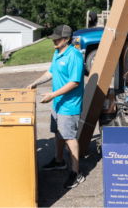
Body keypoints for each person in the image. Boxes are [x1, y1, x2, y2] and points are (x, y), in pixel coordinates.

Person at [27, 25, 85, 189]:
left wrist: (52, 95)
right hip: (58, 103)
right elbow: (50, 72)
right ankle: (59, 161)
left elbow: (74, 82)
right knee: (58, 133)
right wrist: (35, 83)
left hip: (69, 104)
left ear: (67, 39)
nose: (54, 40)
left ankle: (76, 173)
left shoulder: (74, 56)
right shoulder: (57, 53)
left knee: (69, 137)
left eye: (57, 38)